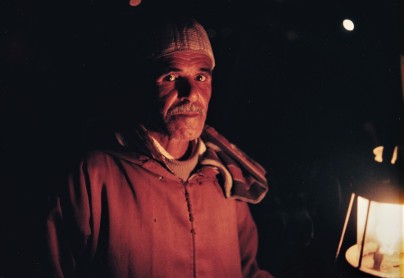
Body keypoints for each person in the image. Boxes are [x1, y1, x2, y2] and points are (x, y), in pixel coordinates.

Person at [45, 16, 273, 278]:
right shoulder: (93, 176)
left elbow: (247, 271)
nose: (190, 92)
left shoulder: (226, 176)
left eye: (201, 76)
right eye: (171, 76)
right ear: (140, 85)